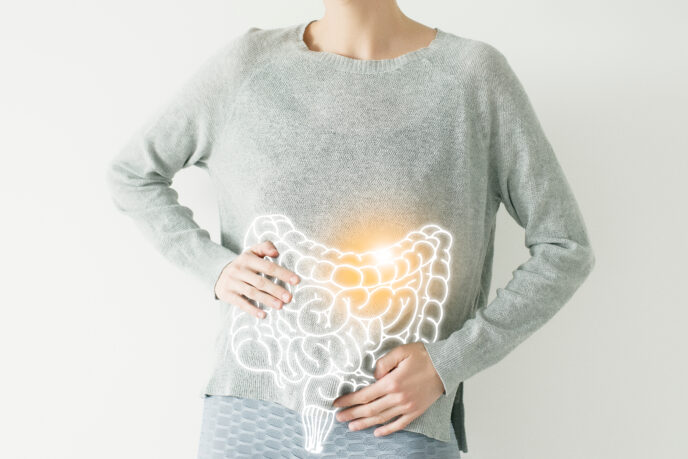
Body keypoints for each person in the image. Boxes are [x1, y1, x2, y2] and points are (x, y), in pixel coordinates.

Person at [106, 1, 596, 457]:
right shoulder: (247, 66)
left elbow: (565, 246)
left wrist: (449, 362)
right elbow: (133, 174)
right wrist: (214, 268)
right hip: (249, 419)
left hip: (397, 427)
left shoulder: (472, 78)